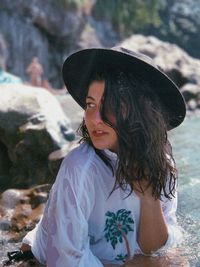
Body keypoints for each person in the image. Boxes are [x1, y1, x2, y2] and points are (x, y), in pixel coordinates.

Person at [20, 47, 186, 266]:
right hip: (59, 254)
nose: (94, 118)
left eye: (108, 105)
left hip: (118, 257)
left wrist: (149, 198)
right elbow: (66, 258)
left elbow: (153, 248)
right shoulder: (80, 168)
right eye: (90, 104)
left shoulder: (162, 163)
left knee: (176, 260)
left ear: (139, 110)